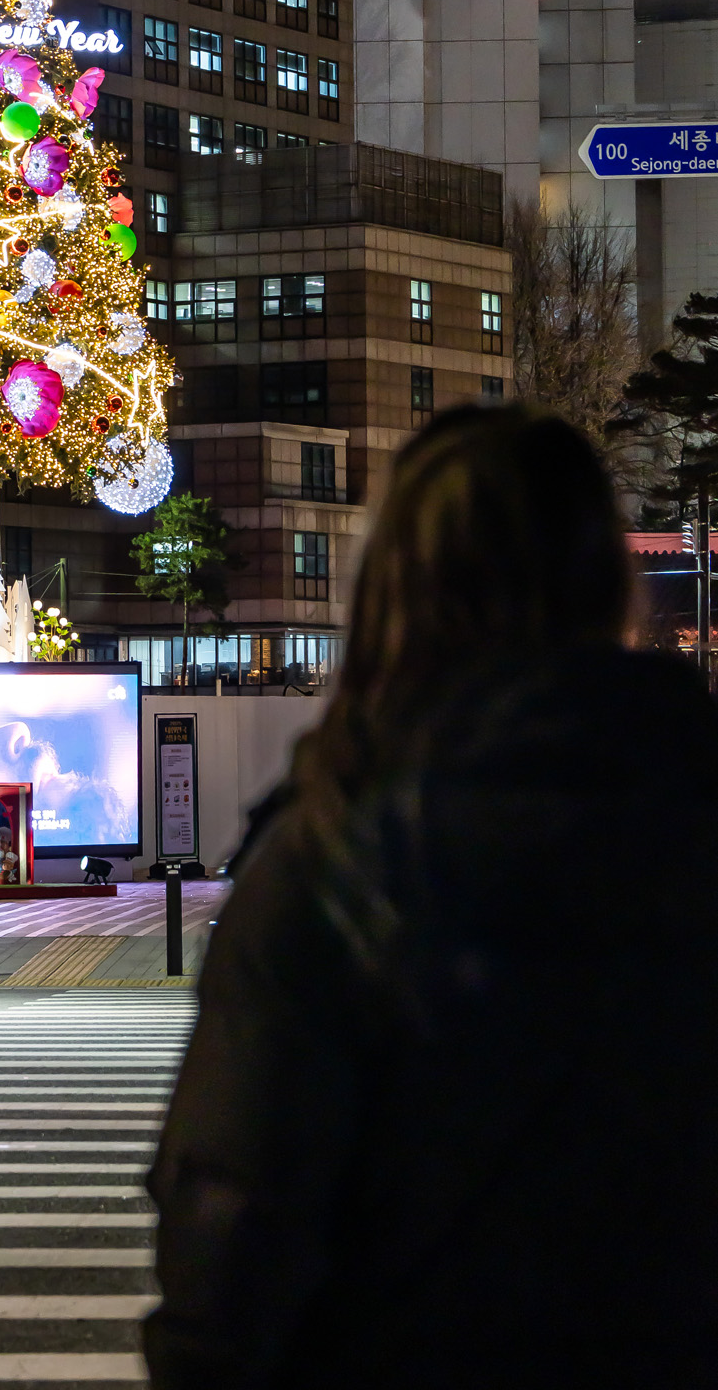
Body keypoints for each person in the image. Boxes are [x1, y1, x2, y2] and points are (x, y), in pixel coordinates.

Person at [145, 405, 718, 1389]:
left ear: (390, 586)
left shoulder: (335, 856)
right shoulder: (693, 816)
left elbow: (235, 1235)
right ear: (602, 580)